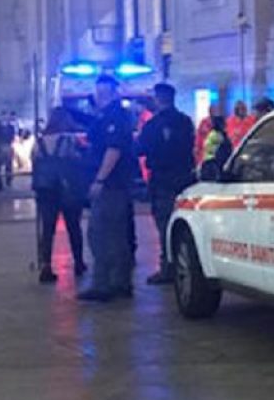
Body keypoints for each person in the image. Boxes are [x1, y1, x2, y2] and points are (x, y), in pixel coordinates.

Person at [78, 76, 136, 302]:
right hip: (113, 184)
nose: (100, 97)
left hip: (111, 185)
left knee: (102, 234)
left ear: (114, 93)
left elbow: (114, 150)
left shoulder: (115, 117)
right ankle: (119, 282)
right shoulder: (106, 116)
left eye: (104, 93)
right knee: (115, 235)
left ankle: (105, 284)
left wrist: (99, 180)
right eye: (98, 93)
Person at [137, 82, 195, 285]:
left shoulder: (153, 125)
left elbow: (140, 149)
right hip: (183, 179)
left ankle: (168, 267)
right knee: (182, 222)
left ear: (158, 99)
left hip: (162, 180)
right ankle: (182, 262)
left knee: (164, 224)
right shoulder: (186, 121)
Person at [33, 107, 86, 283]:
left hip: (45, 190)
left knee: (47, 229)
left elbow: (35, 162)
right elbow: (77, 160)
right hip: (67, 189)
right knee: (73, 227)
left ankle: (46, 265)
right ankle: (78, 262)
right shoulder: (68, 140)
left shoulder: (39, 142)